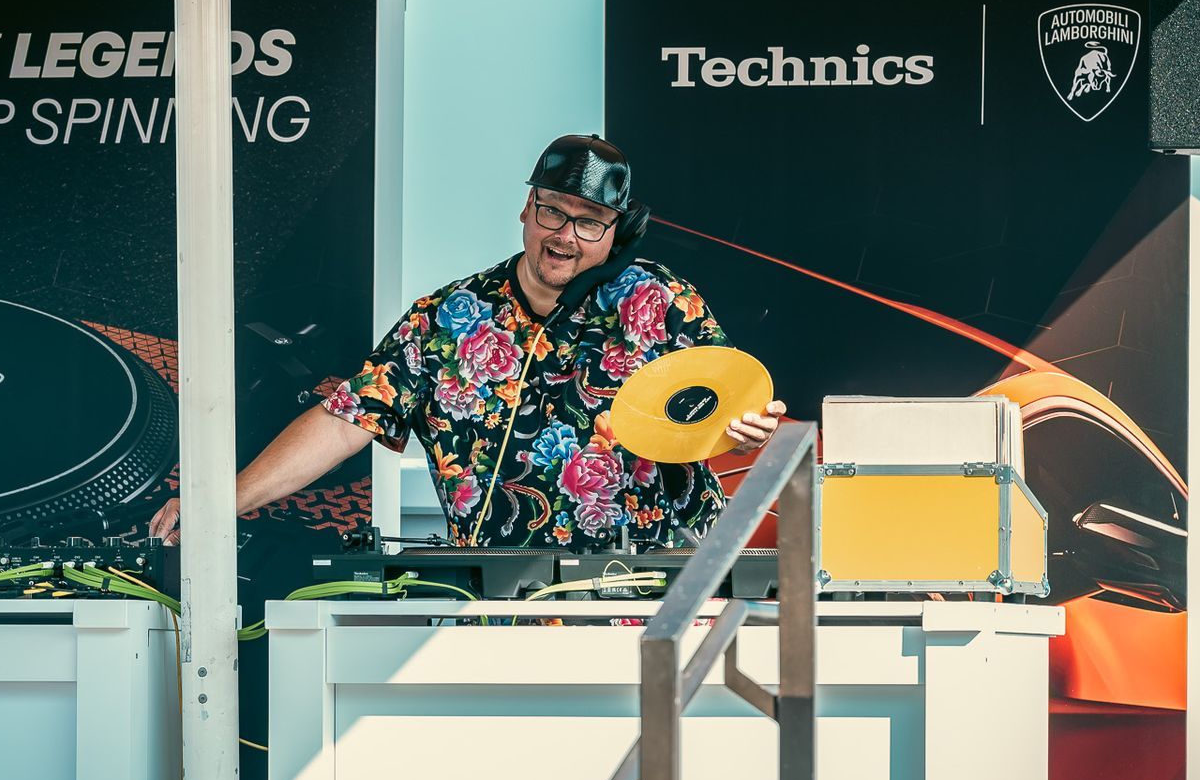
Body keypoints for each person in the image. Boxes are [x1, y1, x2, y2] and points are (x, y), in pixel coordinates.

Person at [148, 134, 784, 550]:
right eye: (553, 211)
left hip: (655, 593)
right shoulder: (450, 317)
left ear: (618, 232)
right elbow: (347, 420)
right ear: (526, 209)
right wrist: (220, 502)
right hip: (503, 606)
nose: (565, 236)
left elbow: (724, 405)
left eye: (590, 222)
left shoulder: (659, 300)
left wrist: (744, 430)